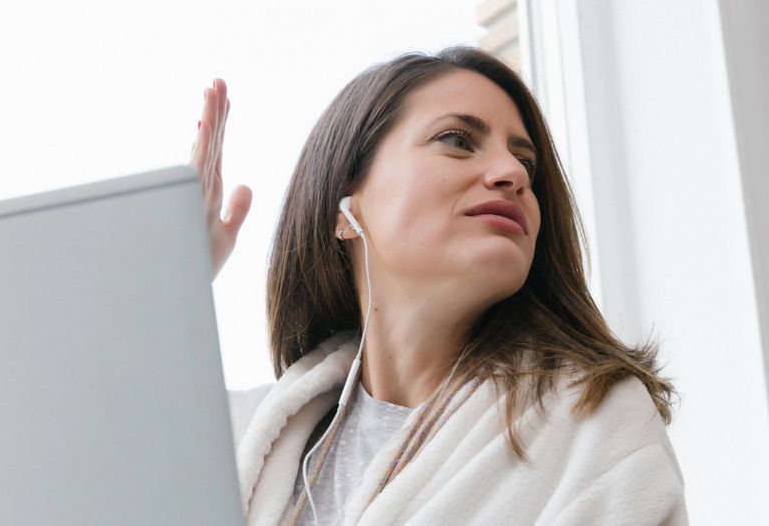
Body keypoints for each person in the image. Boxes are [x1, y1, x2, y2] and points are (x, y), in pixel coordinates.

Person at [189, 47, 688, 525]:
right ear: (347, 206)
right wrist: (175, 277)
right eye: (456, 140)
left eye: (527, 165)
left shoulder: (596, 422)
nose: (512, 172)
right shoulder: (242, 440)